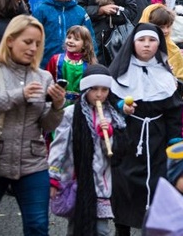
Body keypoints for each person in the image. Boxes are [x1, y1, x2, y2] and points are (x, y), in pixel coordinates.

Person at [0, 15, 66, 235]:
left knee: (37, 226)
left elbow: (47, 124)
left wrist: (57, 105)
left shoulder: (43, 76)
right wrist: (20, 95)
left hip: (32, 162)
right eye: (27, 42)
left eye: (37, 44)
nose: (33, 48)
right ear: (10, 40)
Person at [109, 23, 183, 234]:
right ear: (133, 43)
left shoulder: (165, 74)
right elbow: (109, 98)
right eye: (141, 40)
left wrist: (174, 141)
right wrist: (120, 106)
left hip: (157, 140)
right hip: (127, 138)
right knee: (123, 186)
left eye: (152, 41)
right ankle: (121, 229)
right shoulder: (120, 72)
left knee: (157, 186)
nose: (146, 45)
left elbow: (174, 111)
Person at [48, 64, 127, 235]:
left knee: (102, 230)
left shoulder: (112, 115)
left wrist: (110, 135)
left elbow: (118, 153)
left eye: (104, 90)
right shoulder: (70, 113)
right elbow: (59, 146)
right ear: (86, 89)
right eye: (94, 89)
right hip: (77, 182)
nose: (99, 94)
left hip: (102, 184)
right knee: (76, 227)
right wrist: (53, 177)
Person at [33, 0, 97, 68]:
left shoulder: (80, 12)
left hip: (75, 67)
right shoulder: (42, 10)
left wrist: (92, 62)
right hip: (45, 64)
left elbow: (90, 39)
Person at [138, 4, 183, 90]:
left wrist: (174, 80)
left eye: (168, 26)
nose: (166, 31)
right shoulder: (136, 49)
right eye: (161, 27)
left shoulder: (173, 49)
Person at [44, 25, 98, 106]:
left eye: (76, 39)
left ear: (84, 44)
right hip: (56, 105)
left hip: (79, 108)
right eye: (69, 37)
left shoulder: (88, 66)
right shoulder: (56, 60)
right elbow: (46, 81)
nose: (70, 41)